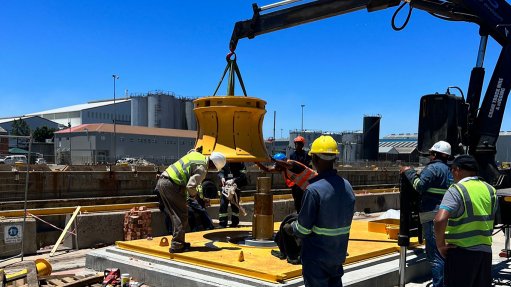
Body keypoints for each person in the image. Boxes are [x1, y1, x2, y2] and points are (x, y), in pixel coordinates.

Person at [286, 135, 355, 287]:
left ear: (315, 159)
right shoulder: (347, 186)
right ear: (334, 159)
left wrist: (291, 228)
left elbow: (303, 229)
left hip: (316, 258)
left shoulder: (313, 191)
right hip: (337, 255)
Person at [434, 155, 497, 287]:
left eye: (452, 170)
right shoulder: (490, 190)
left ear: (457, 170)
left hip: (461, 253)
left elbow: (439, 219)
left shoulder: (456, 190)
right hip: (485, 253)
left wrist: (440, 245)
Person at [400, 140, 453, 287]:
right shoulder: (451, 171)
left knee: (435, 255)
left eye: (431, 153)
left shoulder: (433, 169)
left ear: (435, 154)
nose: (429, 156)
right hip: (446, 214)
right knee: (445, 251)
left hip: (431, 214)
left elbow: (420, 186)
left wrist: (409, 172)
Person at [155, 150, 226, 253]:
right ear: (213, 165)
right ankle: (177, 245)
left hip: (163, 181)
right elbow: (190, 186)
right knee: (181, 214)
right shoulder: (202, 169)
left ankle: (179, 242)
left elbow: (190, 153)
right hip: (171, 185)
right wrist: (197, 198)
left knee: (176, 214)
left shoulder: (197, 155)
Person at [218, 162, 247, 228]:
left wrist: (234, 180)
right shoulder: (224, 162)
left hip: (235, 187)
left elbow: (243, 174)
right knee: (223, 205)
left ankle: (234, 223)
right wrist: (222, 177)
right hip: (225, 187)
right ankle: (222, 223)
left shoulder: (240, 162)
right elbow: (220, 171)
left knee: (235, 206)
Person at [289, 136, 312, 212]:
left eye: (299, 144)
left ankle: (304, 212)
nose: (297, 145)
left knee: (304, 197)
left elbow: (308, 166)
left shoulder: (306, 155)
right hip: (296, 181)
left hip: (305, 181)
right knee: (296, 198)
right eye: (296, 144)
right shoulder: (292, 155)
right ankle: (298, 212)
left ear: (302, 145)